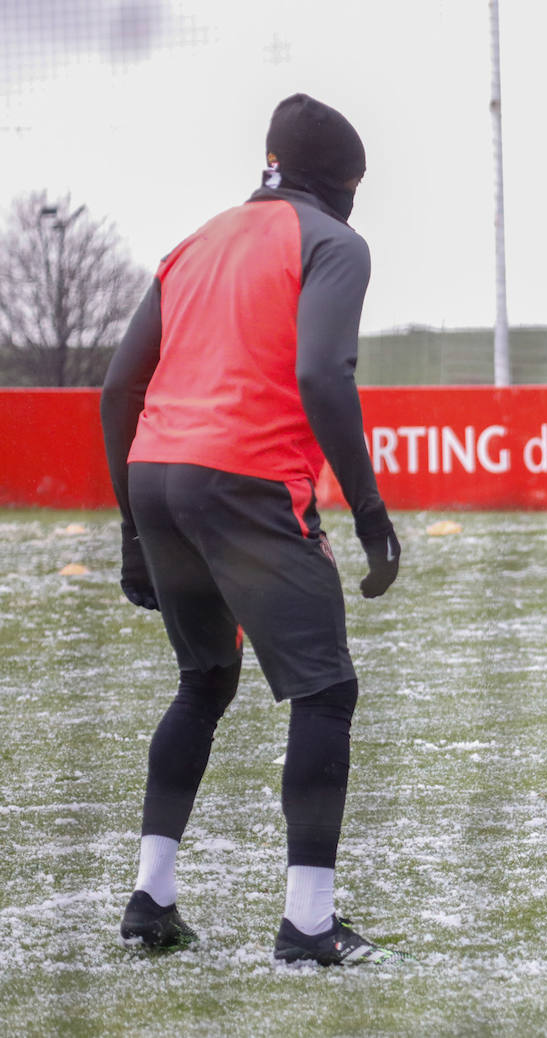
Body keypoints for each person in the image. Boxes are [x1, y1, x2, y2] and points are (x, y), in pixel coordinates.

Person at [101, 93, 407, 964]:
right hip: (245, 479)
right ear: (344, 184)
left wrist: (132, 527)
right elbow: (321, 371)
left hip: (157, 474)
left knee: (205, 680)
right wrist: (373, 515)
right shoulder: (334, 241)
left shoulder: (195, 240)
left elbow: (119, 387)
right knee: (323, 692)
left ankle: (150, 899)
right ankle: (307, 926)